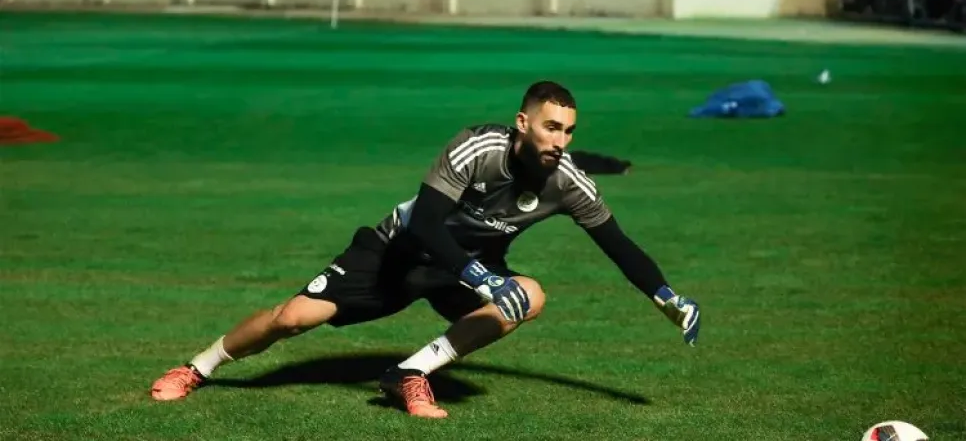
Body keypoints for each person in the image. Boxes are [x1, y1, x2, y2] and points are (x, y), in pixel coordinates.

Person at [149, 80, 701, 419]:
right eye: (551, 127)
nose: (560, 141)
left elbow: (618, 244)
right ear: (523, 123)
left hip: (463, 271)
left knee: (529, 296)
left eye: (569, 131)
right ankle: (197, 368)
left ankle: (409, 373)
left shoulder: (569, 183)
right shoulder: (477, 148)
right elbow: (428, 225)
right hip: (398, 250)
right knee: (291, 318)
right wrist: (481, 277)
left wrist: (665, 296)